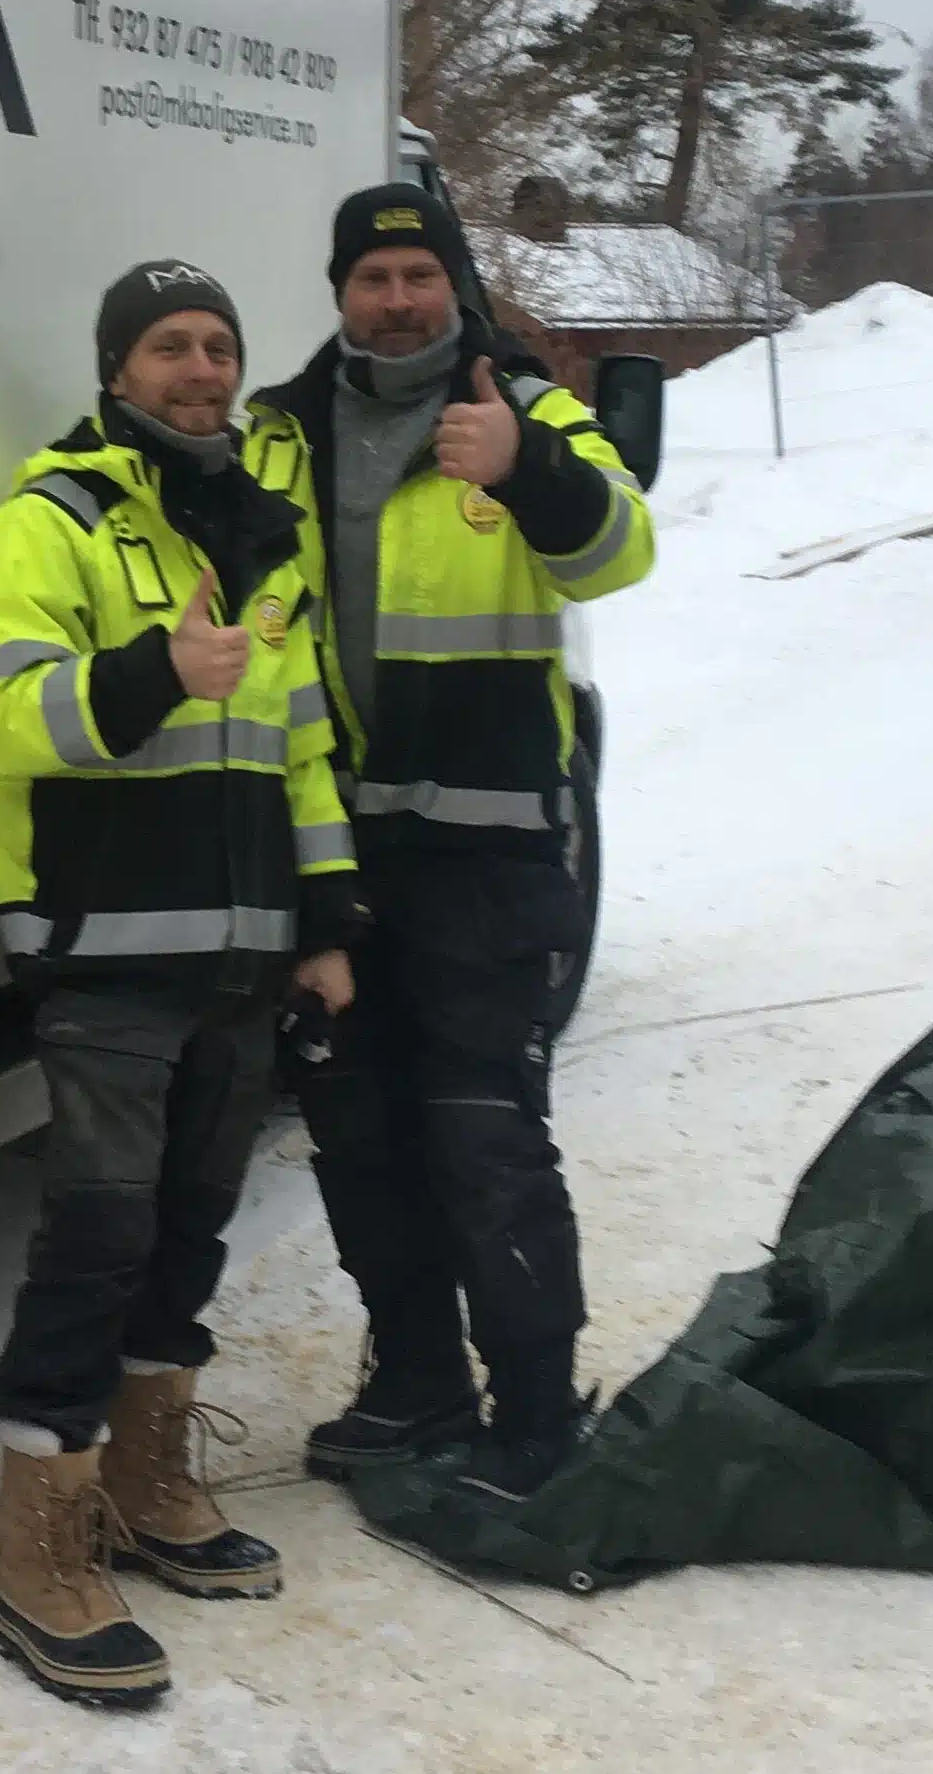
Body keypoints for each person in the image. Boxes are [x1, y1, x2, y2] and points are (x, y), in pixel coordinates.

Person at [0, 259, 360, 1709]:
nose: (199, 369)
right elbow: (2, 719)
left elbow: (301, 746)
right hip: (110, 956)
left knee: (189, 1231)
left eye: (217, 347)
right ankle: (35, 1554)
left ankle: (139, 1486)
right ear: (116, 371)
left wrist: (326, 923)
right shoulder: (50, 518)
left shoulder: (266, 534)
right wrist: (152, 673)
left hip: (244, 956)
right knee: (95, 1245)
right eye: (168, 348)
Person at [245, 183, 654, 1496]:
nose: (399, 298)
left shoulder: (528, 412)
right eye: (374, 279)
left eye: (421, 274)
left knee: (485, 1135)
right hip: (335, 860)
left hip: (484, 861)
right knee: (360, 1138)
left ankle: (537, 1410)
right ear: (341, 295)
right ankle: (418, 1379)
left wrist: (526, 473)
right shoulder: (281, 437)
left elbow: (619, 553)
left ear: (458, 286)